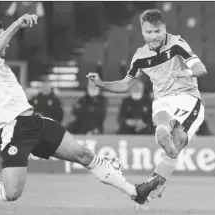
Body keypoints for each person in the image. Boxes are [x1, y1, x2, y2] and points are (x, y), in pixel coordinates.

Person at [0, 14, 158, 209]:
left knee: (83, 155)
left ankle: (134, 192)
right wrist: (16, 24)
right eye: (2, 37)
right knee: (11, 193)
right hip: (14, 131)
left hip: (33, 121)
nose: (9, 42)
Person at [87, 9, 207, 205]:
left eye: (157, 31)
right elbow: (125, 85)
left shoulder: (177, 44)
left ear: (164, 29)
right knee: (163, 132)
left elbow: (200, 69)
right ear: (142, 32)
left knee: (176, 141)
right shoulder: (140, 57)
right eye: (149, 32)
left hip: (187, 99)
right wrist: (101, 84)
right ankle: (162, 156)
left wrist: (184, 73)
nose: (153, 36)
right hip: (162, 101)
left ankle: (154, 184)